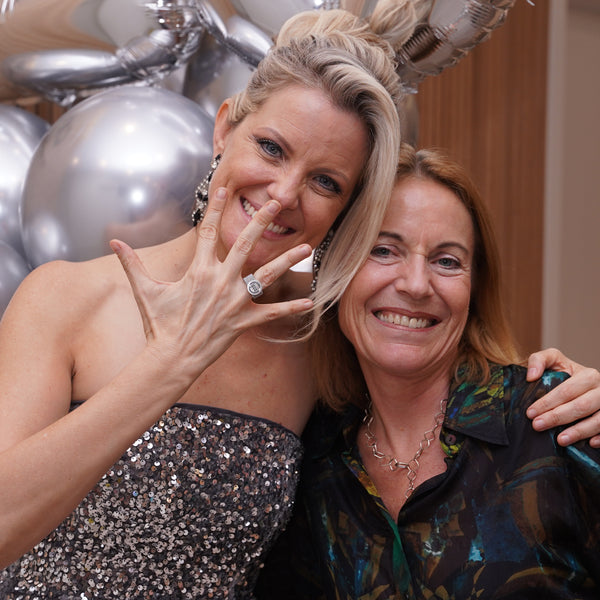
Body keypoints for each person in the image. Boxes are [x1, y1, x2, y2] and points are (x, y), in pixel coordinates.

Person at [0, 4, 598, 598]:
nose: (284, 194)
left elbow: (438, 380)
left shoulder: (318, 335)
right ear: (225, 128)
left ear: (346, 210)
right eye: (271, 147)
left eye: (325, 182)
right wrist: (168, 364)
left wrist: (571, 390)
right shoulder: (63, 297)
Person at [255, 145, 600, 599]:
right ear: (336, 270)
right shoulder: (313, 461)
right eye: (383, 250)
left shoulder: (555, 419)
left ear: (473, 290)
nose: (416, 285)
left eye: (447, 261)